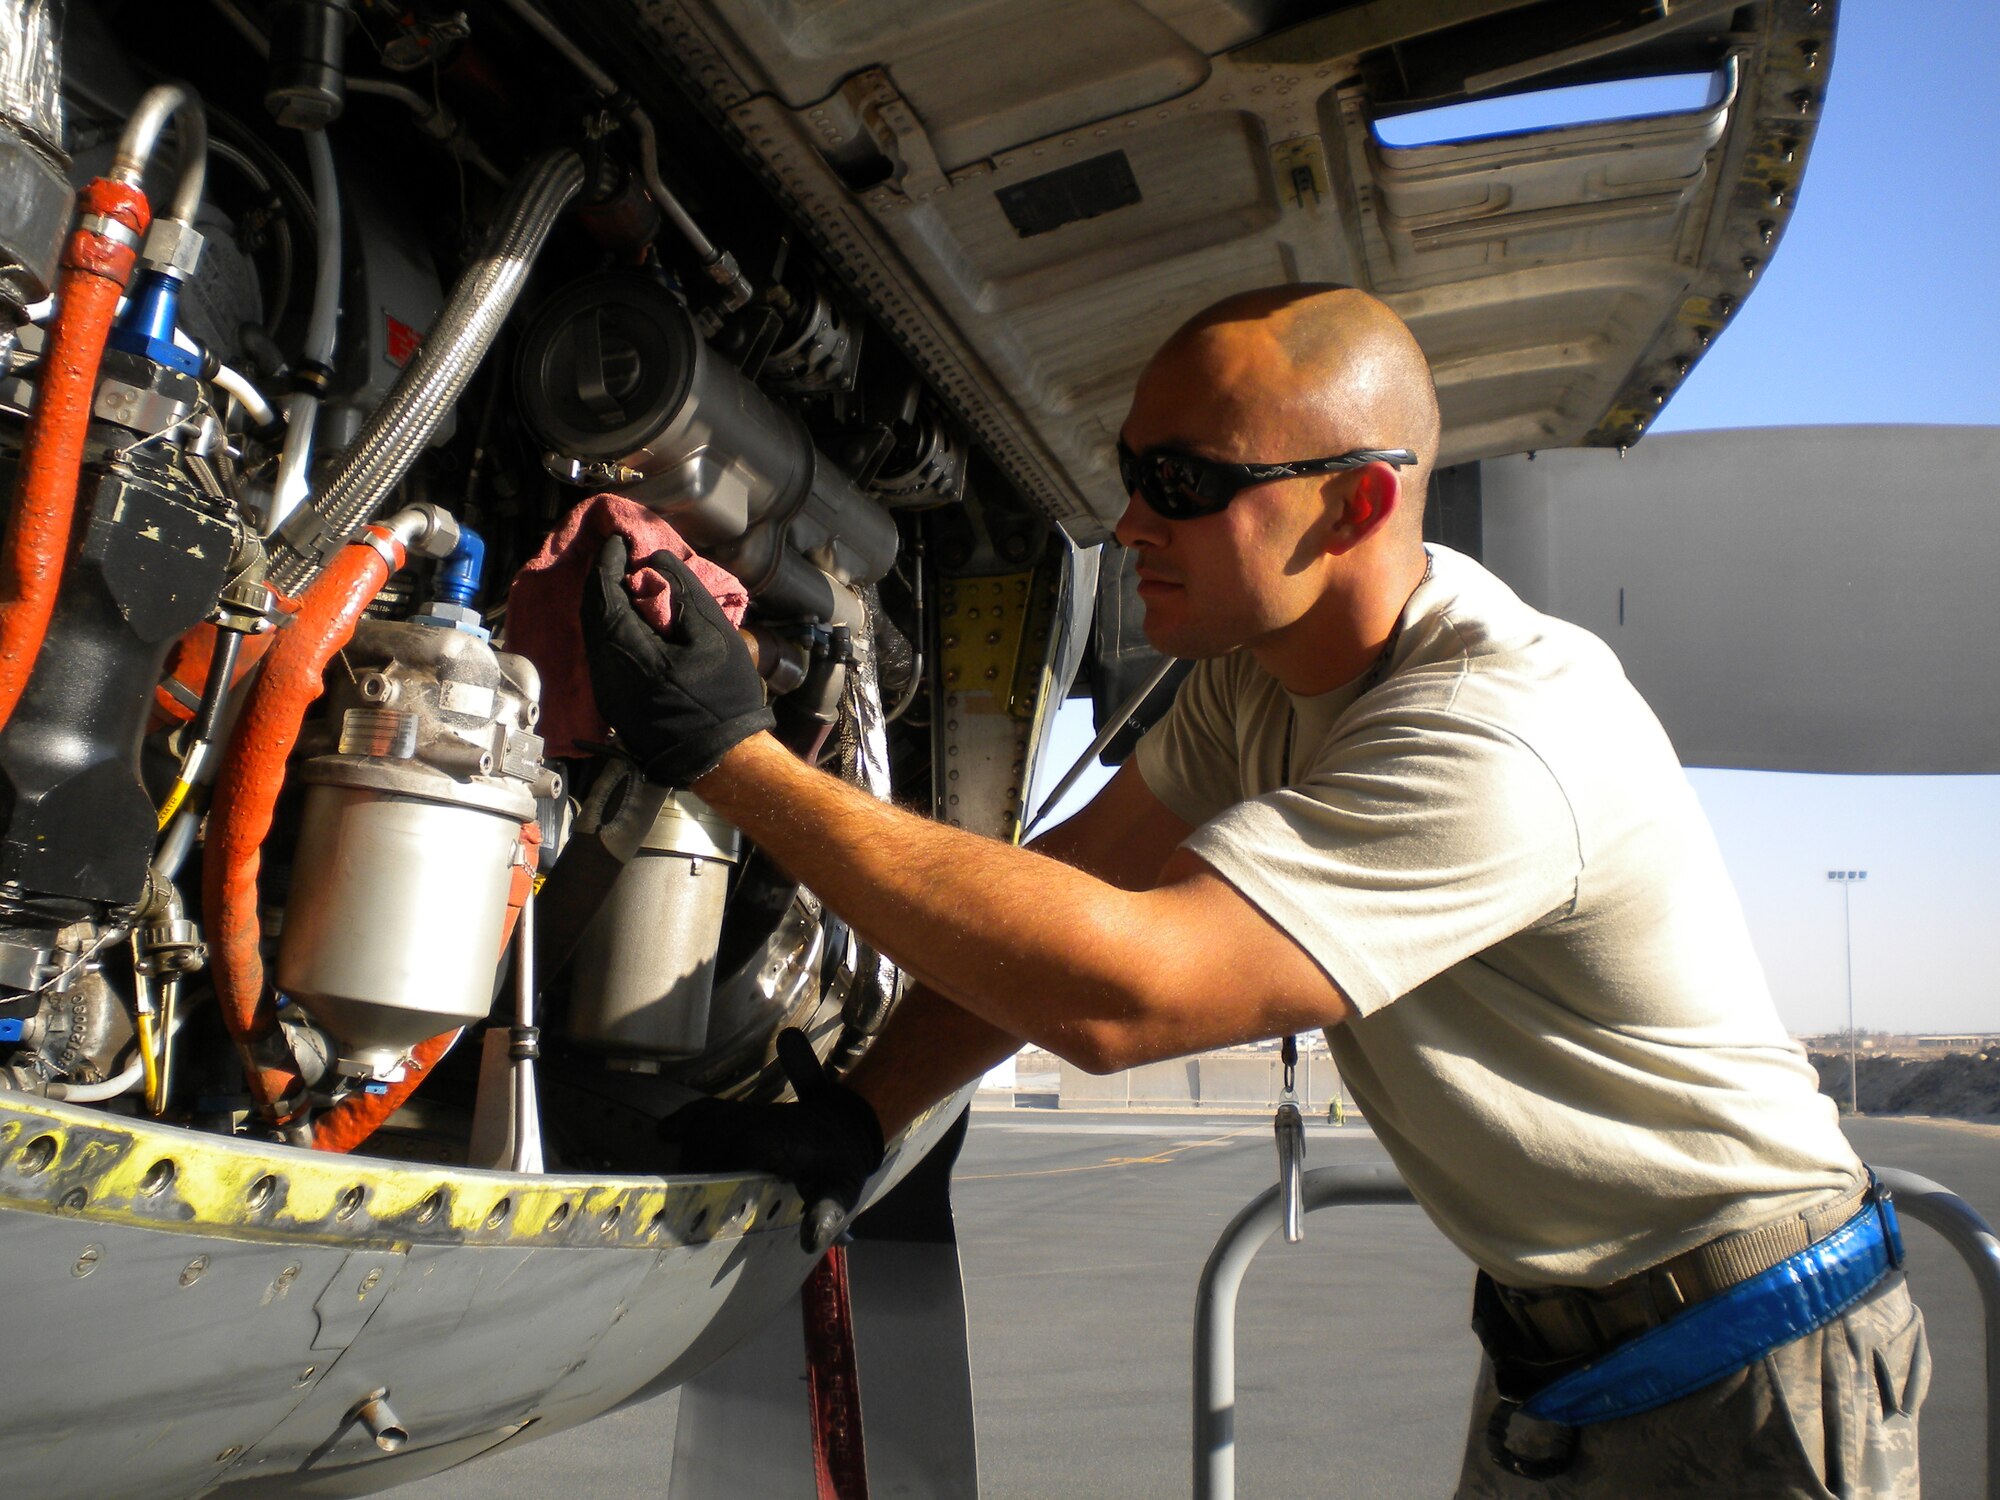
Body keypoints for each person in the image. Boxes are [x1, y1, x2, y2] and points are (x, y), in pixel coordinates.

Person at [581, 284, 1927, 1498]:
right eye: (1130, 472)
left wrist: (735, 759)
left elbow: (1126, 994)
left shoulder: (1500, 732)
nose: (1129, 523)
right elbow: (1068, 897)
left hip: (1758, 1366)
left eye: (1182, 480)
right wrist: (865, 1115)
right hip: (1565, 1359)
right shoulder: (1258, 678)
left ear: (1357, 504)